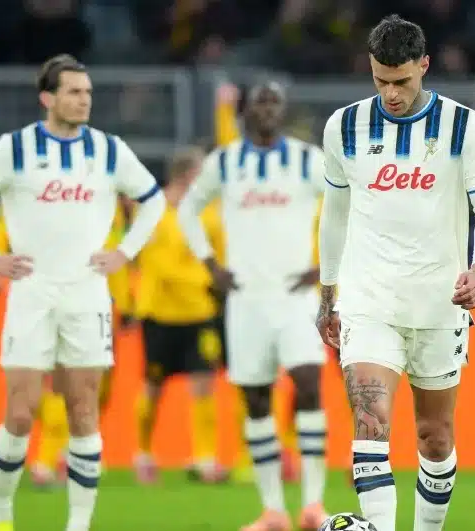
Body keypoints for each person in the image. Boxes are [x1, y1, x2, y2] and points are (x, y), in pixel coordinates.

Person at [0, 54, 165, 531]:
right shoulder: (15, 148)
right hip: (31, 293)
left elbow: (153, 199)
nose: (84, 100)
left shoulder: (110, 150)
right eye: (73, 92)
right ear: (48, 98)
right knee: (21, 414)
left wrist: (125, 252)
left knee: (84, 410)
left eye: (87, 92)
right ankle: (1, 514)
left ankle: (78, 526)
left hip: (87, 295)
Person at [316, 15, 475, 531]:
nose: (391, 93)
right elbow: (334, 214)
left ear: (424, 66)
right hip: (369, 300)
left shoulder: (464, 126)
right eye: (380, 80)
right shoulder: (345, 127)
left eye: (401, 80)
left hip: (439, 303)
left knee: (434, 437)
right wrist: (328, 290)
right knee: (370, 422)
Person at [179, 81, 330, 531]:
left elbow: (349, 201)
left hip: (296, 298)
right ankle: (272, 511)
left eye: (274, 103)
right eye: (260, 103)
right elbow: (188, 209)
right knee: (256, 399)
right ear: (244, 112)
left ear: (282, 111)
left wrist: (323, 266)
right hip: (246, 300)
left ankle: (313, 504)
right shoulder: (224, 162)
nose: (267, 110)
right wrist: (210, 265)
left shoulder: (307, 159)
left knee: (308, 383)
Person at [0, 198, 135, 488]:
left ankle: (71, 452)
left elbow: (114, 253)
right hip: (61, 300)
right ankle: (45, 460)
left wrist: (125, 303)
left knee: (98, 389)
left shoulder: (109, 200)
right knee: (61, 382)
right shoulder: (48, 189)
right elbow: (7, 222)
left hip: (105, 304)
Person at [212, 81, 301, 484]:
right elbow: (231, 145)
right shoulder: (232, 170)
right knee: (251, 379)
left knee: (302, 378)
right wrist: (223, 111)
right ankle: (261, 455)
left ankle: (288, 450)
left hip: (299, 293)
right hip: (244, 290)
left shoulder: (303, 176)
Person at [131, 145, 228, 485]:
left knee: (204, 384)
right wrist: (209, 278)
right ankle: (143, 453)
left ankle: (205, 459)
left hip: (200, 314)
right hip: (160, 315)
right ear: (188, 175)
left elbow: (220, 253)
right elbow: (158, 266)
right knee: (153, 387)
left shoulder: (208, 213)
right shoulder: (153, 211)